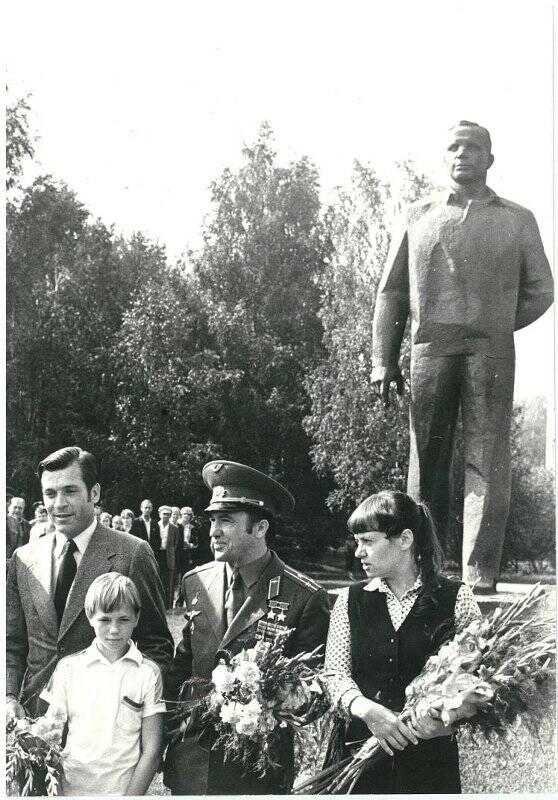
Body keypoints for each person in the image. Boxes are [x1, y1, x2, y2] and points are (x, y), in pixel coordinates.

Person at [371, 121, 554, 592]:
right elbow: (391, 291)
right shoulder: (418, 214)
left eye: (473, 147)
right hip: (429, 348)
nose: (462, 154)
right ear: (443, 156)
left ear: (490, 159)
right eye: (453, 147)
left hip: (490, 351)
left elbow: (542, 290)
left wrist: (493, 321)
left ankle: (479, 573)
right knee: (425, 459)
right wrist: (382, 359)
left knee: (487, 458)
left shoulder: (518, 218)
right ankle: (419, 568)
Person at [163, 460, 330, 795]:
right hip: (192, 762)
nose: (213, 531)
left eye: (226, 521)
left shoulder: (303, 596)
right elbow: (184, 663)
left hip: (257, 769)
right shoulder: (197, 581)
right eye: (212, 520)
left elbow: (312, 695)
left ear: (260, 527)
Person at [324, 490, 484, 794]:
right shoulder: (349, 600)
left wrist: (449, 717)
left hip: (428, 763)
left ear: (405, 539)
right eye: (358, 542)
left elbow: (477, 678)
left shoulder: (455, 598)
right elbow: (334, 673)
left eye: (368, 541)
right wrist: (366, 711)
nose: (358, 553)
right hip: (359, 756)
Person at [6, 446, 174, 720]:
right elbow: (12, 643)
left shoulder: (132, 553)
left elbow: (157, 644)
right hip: (34, 720)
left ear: (94, 493)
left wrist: (129, 704)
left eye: (70, 491)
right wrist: (9, 696)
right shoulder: (24, 558)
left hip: (107, 727)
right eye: (50, 493)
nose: (58, 503)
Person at [40, 572, 165, 795]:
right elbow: (50, 739)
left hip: (123, 790)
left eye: (123, 619)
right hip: (71, 788)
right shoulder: (68, 669)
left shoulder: (148, 672)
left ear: (136, 618)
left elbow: (153, 750)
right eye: (105, 619)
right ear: (89, 617)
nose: (114, 629)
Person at [157, 505, 181, 608]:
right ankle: (159, 604)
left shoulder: (174, 528)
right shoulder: (156, 525)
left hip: (169, 555)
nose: (165, 516)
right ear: (159, 515)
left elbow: (175, 544)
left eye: (168, 514)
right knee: (158, 579)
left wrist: (171, 552)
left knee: (169, 581)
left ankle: (169, 605)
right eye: (164, 514)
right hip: (158, 555)